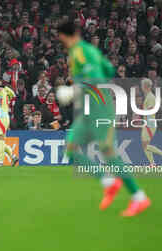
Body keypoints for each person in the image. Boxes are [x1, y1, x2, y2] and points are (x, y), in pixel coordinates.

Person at [57, 21, 150, 217]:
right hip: (89, 110)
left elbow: (97, 79)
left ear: (66, 35)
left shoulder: (80, 52)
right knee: (71, 149)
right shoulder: (90, 51)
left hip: (101, 109)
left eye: (61, 37)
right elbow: (108, 70)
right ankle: (108, 182)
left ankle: (139, 198)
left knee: (108, 152)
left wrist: (74, 90)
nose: (61, 41)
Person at [140, 78, 162, 166]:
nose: (141, 87)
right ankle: (152, 163)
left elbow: (150, 111)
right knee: (144, 144)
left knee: (145, 145)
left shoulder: (150, 97)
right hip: (147, 123)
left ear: (146, 86)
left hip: (149, 123)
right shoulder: (149, 96)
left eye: (142, 85)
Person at [0, 78, 18, 167]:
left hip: (1, 117)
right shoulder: (5, 90)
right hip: (2, 117)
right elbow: (13, 95)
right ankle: (13, 156)